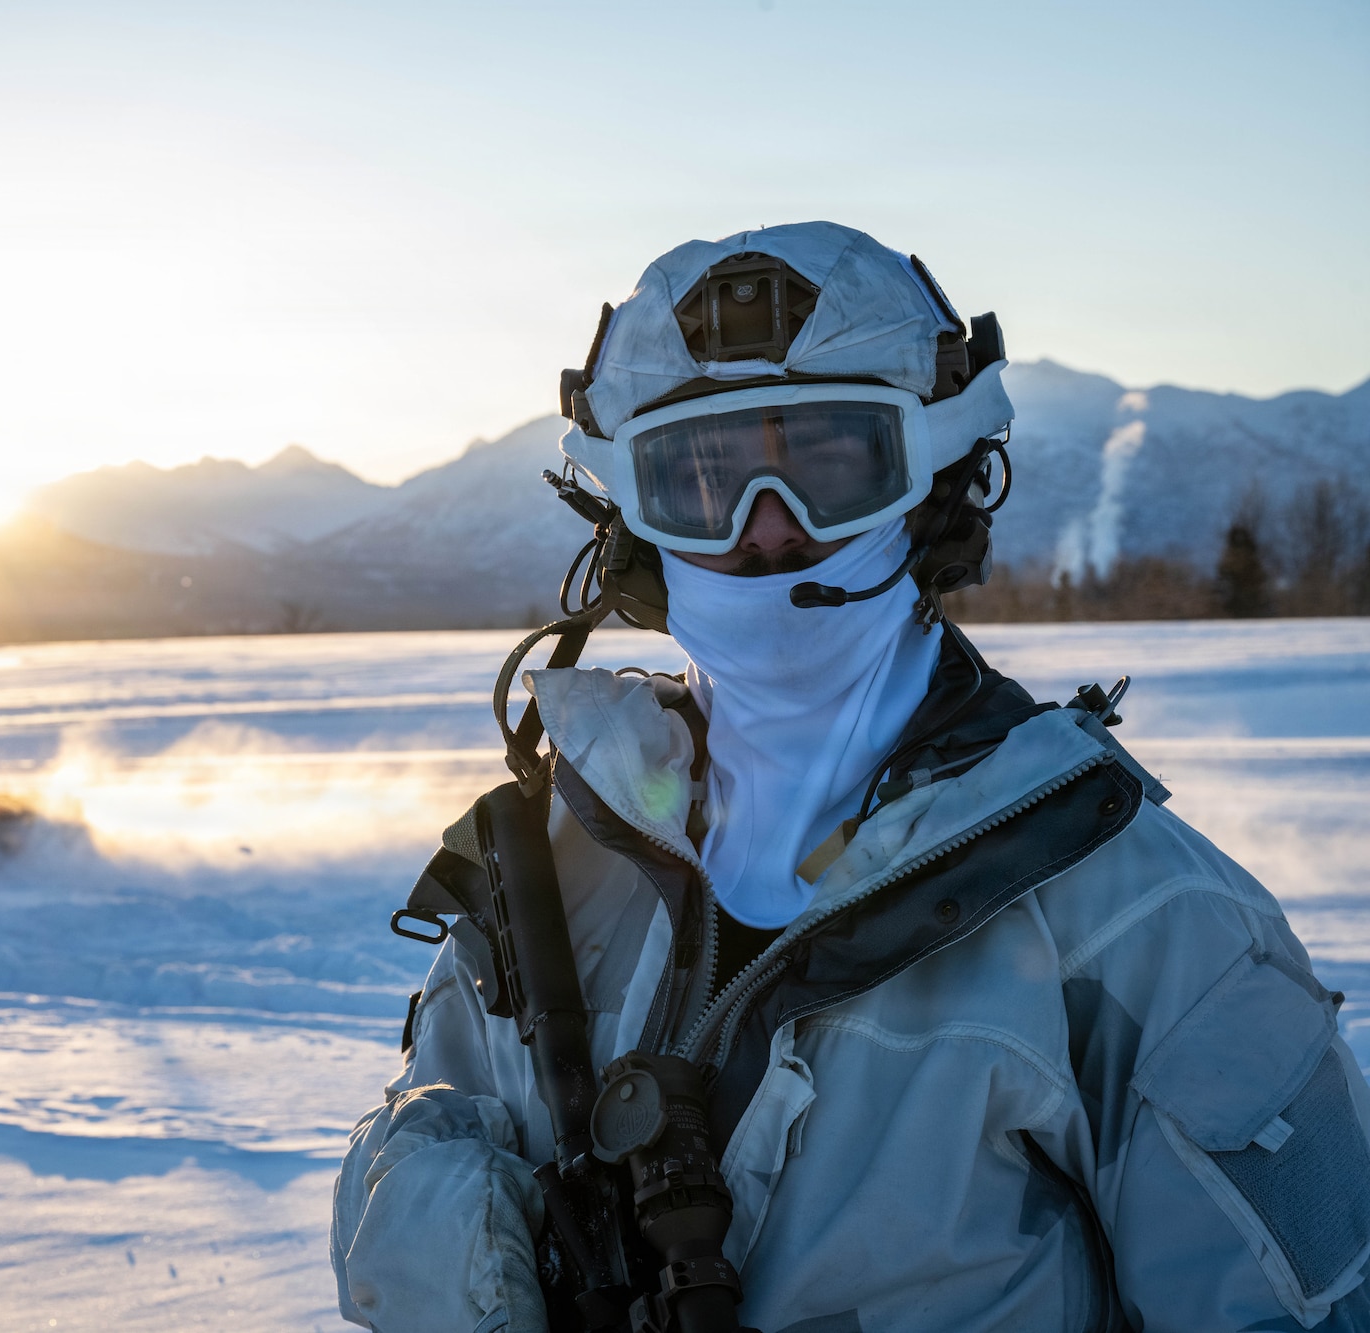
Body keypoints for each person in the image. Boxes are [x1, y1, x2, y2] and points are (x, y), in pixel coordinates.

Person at [330, 222, 1370, 1332]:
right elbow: (420, 1146)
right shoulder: (542, 864)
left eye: (831, 461)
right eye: (702, 477)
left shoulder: (1146, 920)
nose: (769, 529)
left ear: (935, 483)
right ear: (630, 519)